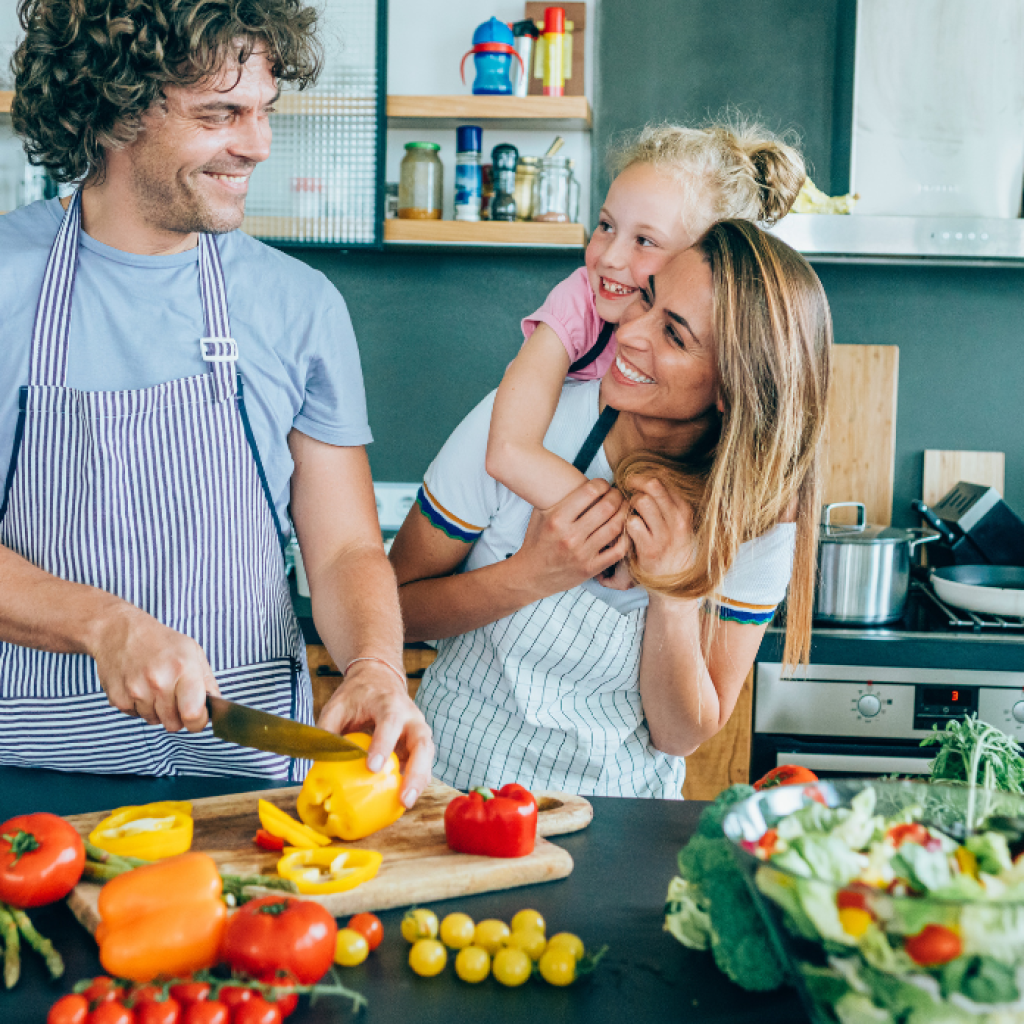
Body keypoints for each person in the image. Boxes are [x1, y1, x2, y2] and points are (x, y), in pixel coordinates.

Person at [0, 0, 431, 800]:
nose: (257, 145)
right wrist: (107, 627)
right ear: (111, 106)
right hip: (31, 775)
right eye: (220, 114)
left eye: (264, 111)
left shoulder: (299, 306)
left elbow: (343, 550)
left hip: (246, 782)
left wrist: (373, 667)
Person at [390, 221, 831, 798]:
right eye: (646, 300)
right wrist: (530, 576)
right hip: (449, 794)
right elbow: (392, 610)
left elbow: (679, 735)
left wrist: (673, 597)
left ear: (733, 388)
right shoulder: (526, 423)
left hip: (622, 820)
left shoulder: (758, 518)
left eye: (674, 336)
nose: (628, 335)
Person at [485, 122, 805, 528]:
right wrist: (624, 539)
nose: (609, 258)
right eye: (606, 226)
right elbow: (510, 450)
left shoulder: (731, 362)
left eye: (645, 241)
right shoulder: (579, 300)